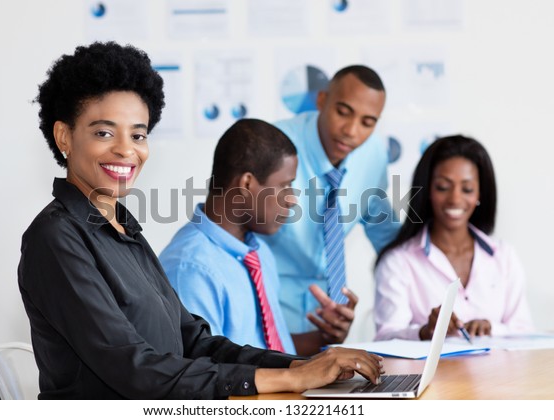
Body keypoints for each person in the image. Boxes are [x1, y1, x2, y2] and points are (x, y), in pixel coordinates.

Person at [18, 41, 383, 400]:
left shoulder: (123, 230)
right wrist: (290, 378)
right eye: (104, 132)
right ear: (64, 136)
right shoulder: (55, 236)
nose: (126, 149)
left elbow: (195, 342)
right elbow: (134, 368)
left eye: (138, 134)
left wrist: (303, 367)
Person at [160, 118, 358, 357]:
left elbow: (266, 350)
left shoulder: (258, 252)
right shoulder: (191, 269)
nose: (292, 199)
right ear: (246, 184)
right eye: (285, 185)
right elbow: (204, 376)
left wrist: (326, 337)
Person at [262, 65, 401, 334]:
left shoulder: (373, 155)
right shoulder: (274, 144)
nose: (351, 130)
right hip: (269, 308)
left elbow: (386, 234)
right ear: (322, 100)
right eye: (343, 112)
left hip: (329, 317)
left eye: (367, 122)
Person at [373, 135, 534, 341]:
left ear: (479, 194)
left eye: (467, 189)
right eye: (443, 187)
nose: (455, 199)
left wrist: (491, 328)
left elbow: (525, 331)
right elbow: (386, 336)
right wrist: (424, 331)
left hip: (500, 373)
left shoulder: (504, 256)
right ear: (427, 190)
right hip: (436, 374)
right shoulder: (398, 261)